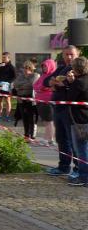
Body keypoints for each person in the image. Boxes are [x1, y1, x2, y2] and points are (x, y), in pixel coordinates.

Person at [45, 45, 80, 178]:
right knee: (61, 139)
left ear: (77, 54)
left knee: (73, 140)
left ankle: (78, 168)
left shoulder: (80, 69)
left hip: (71, 110)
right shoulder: (61, 68)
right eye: (66, 54)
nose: (69, 57)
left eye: (72, 54)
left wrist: (64, 84)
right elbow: (46, 81)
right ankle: (63, 167)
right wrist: (52, 82)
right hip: (58, 108)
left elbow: (81, 85)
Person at [67, 56, 88, 186]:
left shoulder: (79, 82)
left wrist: (70, 83)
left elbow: (69, 98)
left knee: (81, 149)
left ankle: (84, 177)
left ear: (75, 68)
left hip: (80, 119)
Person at [13, 60, 39, 141]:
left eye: (28, 67)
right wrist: (24, 85)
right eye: (24, 67)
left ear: (31, 68)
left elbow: (32, 84)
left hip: (31, 100)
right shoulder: (20, 76)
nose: (25, 69)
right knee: (25, 118)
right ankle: (26, 135)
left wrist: (21, 86)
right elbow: (15, 84)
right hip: (21, 99)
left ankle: (32, 135)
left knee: (31, 118)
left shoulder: (35, 75)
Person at [33, 58, 57, 146]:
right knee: (46, 121)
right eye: (43, 67)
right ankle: (49, 139)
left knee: (49, 121)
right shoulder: (43, 76)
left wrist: (41, 88)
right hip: (40, 101)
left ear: (51, 66)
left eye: (46, 66)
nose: (44, 68)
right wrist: (41, 88)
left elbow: (47, 87)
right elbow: (35, 85)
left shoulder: (53, 76)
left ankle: (47, 139)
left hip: (47, 101)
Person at [0, 52, 16, 121]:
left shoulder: (11, 67)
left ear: (8, 58)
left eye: (4, 57)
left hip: (7, 86)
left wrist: (8, 82)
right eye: (2, 57)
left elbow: (14, 76)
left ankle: (7, 116)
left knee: (7, 100)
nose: (3, 59)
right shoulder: (0, 64)